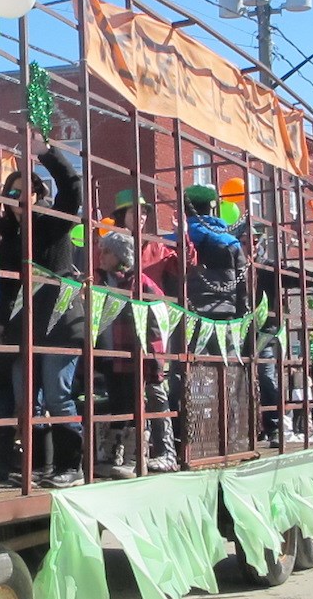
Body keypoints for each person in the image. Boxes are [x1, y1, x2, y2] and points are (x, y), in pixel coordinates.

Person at [0, 134, 85, 489]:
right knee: (25, 400)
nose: (19, 198)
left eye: (25, 191)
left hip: (58, 322)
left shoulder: (53, 222)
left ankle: (69, 466)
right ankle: (39, 465)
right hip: (22, 327)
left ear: (38, 195)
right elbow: (7, 288)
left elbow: (73, 187)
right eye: (12, 193)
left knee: (58, 394)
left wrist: (44, 152)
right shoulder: (8, 238)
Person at [94, 231, 174, 478]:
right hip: (109, 356)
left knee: (133, 405)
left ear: (119, 256)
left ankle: (133, 456)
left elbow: (158, 322)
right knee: (118, 404)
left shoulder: (142, 284)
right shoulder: (98, 281)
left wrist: (153, 358)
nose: (101, 256)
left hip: (132, 356)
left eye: (107, 251)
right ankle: (112, 455)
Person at [183, 183, 248, 322]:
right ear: (212, 207)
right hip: (223, 312)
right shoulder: (230, 242)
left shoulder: (171, 240)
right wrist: (241, 316)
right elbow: (242, 282)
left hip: (182, 312)